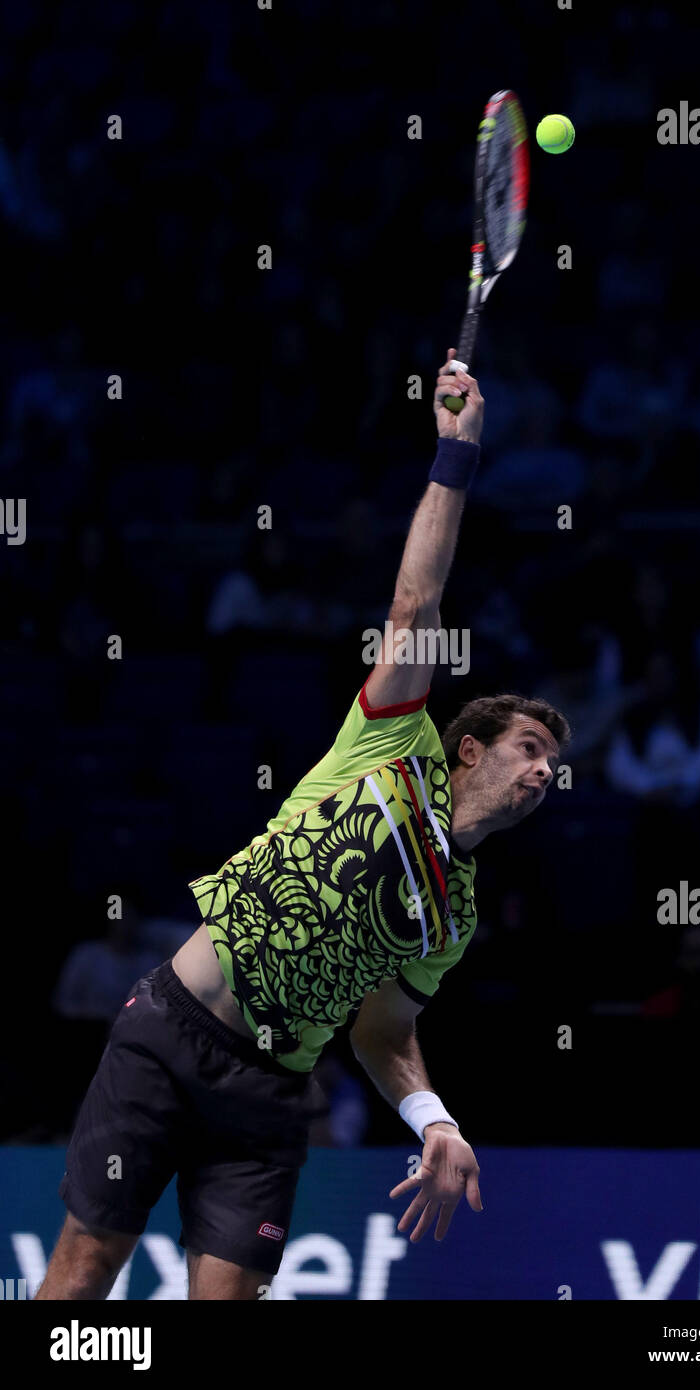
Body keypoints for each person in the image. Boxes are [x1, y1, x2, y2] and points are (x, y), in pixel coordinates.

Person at [36, 350, 569, 1302]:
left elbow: (383, 1029)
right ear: (470, 750)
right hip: (172, 1029)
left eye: (554, 765)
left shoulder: (454, 915)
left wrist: (435, 1119)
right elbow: (417, 604)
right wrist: (456, 456)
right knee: (80, 1280)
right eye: (529, 747)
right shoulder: (391, 741)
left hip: (272, 1094)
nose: (544, 770)